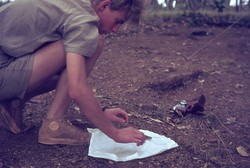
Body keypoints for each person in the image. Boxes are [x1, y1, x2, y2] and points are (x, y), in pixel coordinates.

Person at [0, 0, 147, 146]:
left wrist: (100, 113)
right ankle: (54, 125)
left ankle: (13, 104)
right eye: (118, 21)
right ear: (105, 5)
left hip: (7, 60)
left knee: (76, 55)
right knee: (95, 42)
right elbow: (77, 88)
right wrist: (115, 133)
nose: (116, 30)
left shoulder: (73, 5)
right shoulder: (85, 18)